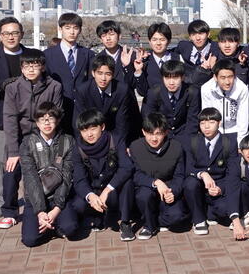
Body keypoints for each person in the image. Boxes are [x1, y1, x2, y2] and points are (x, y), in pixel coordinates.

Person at [0, 16, 40, 218]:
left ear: (22, 34)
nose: (11, 37)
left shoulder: (33, 55)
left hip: (30, 118)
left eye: (15, 33)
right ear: (0, 35)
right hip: (0, 118)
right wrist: (2, 84)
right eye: (6, 33)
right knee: (0, 162)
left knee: (33, 161)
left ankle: (33, 199)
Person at [0, 52, 63, 230]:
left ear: (42, 67)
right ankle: (9, 212)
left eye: (35, 65)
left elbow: (56, 114)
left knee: (49, 171)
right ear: (21, 68)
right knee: (11, 171)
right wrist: (14, 152)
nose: (31, 70)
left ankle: (49, 207)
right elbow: (10, 119)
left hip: (45, 134)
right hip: (21, 137)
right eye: (27, 66)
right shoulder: (13, 88)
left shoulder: (54, 86)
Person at [57, 109, 136, 241]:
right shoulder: (77, 148)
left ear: (102, 127)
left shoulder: (115, 140)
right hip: (93, 190)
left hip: (113, 189)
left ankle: (125, 222)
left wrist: (108, 189)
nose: (89, 134)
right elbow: (79, 179)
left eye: (93, 129)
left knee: (128, 182)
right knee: (78, 205)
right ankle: (95, 216)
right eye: (84, 130)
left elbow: (127, 167)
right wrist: (90, 196)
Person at [19, 102, 75, 247]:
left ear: (58, 120)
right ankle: (49, 225)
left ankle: (54, 222)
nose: (47, 123)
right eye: (42, 119)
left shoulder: (68, 141)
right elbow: (30, 178)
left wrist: (56, 209)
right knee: (30, 239)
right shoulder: (27, 143)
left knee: (70, 228)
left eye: (50, 118)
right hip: (36, 198)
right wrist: (40, 212)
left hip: (59, 197)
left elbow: (67, 177)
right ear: (36, 122)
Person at [183, 108, 243, 238]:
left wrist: (221, 189)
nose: (206, 127)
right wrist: (202, 174)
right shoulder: (193, 141)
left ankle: (210, 211)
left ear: (219, 123)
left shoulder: (229, 142)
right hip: (199, 185)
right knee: (190, 184)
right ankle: (198, 220)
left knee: (224, 211)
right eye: (202, 123)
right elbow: (188, 168)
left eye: (211, 122)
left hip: (218, 186)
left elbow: (233, 173)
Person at [130, 113, 188, 240]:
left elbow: (179, 175)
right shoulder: (135, 147)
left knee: (177, 217)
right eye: (150, 133)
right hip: (147, 187)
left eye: (158, 133)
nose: (154, 138)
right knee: (143, 195)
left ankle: (155, 220)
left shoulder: (176, 147)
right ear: (143, 132)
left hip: (168, 188)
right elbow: (136, 174)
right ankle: (149, 226)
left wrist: (173, 192)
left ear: (166, 132)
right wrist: (155, 182)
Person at [43, 12, 95, 133]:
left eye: (75, 28)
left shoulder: (88, 54)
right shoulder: (48, 55)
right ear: (60, 29)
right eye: (67, 28)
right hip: (57, 108)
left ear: (80, 30)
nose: (72, 32)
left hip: (82, 109)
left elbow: (91, 81)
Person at [95, 20, 142, 141]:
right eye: (104, 36)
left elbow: (134, 85)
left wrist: (127, 67)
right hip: (106, 112)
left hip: (129, 110)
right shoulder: (96, 59)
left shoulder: (132, 55)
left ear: (119, 36)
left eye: (111, 34)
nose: (108, 38)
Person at [72, 55, 132, 145]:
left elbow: (122, 123)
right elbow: (78, 121)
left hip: (113, 137)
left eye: (108, 74)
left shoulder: (121, 90)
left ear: (113, 74)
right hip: (89, 137)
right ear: (93, 73)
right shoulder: (83, 90)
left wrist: (115, 144)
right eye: (99, 73)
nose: (103, 78)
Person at [141, 59, 201, 142]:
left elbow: (192, 121)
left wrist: (187, 141)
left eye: (175, 78)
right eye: (167, 78)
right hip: (161, 134)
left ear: (183, 77)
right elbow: (150, 119)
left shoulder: (192, 92)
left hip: (183, 133)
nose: (171, 83)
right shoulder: (154, 93)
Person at [200, 59, 249, 141]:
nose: (227, 82)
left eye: (230, 77)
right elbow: (207, 116)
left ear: (235, 75)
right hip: (215, 131)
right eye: (223, 78)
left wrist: (241, 142)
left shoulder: (242, 89)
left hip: (235, 131)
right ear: (215, 77)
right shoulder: (206, 89)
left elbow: (243, 118)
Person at [134, 22, 180, 97]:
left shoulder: (178, 59)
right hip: (151, 103)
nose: (158, 43)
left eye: (162, 39)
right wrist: (139, 71)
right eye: (154, 39)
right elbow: (142, 92)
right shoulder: (144, 61)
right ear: (149, 41)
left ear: (169, 41)